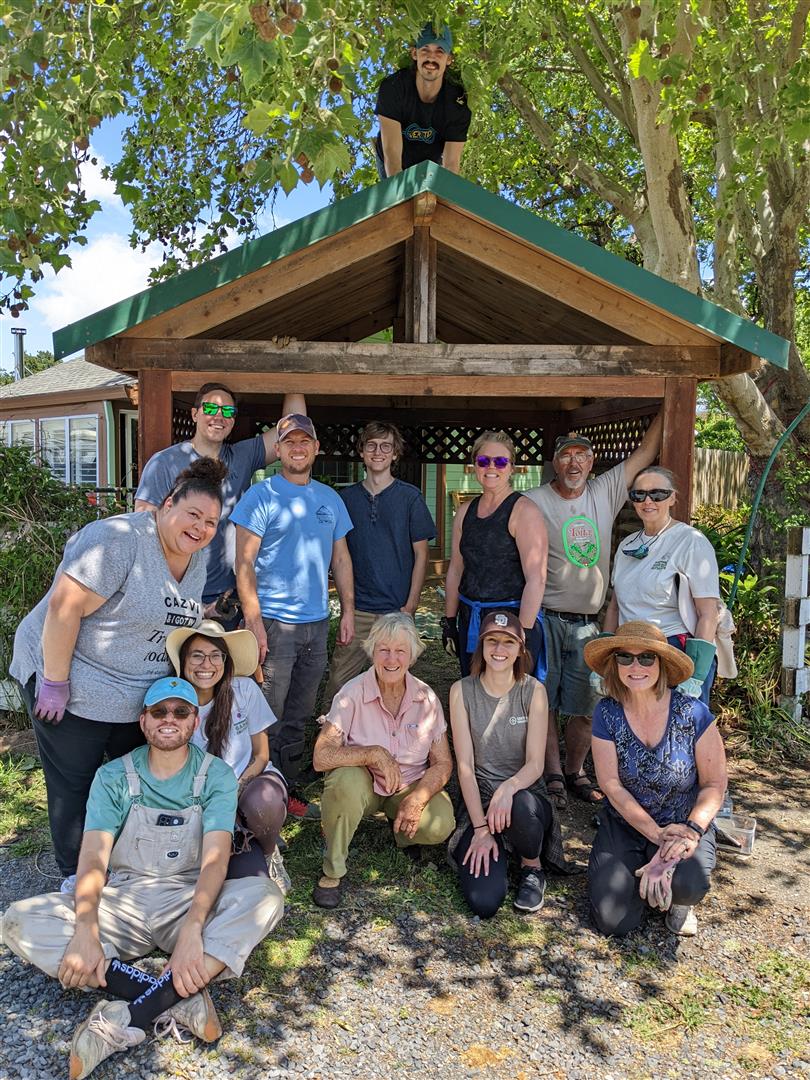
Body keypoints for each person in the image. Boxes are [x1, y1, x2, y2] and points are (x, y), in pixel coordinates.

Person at [0, 676, 284, 1079]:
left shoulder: (216, 776)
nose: (170, 718)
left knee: (265, 897)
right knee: (17, 920)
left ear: (193, 722)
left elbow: (216, 860)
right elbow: (93, 857)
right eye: (159, 711)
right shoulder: (114, 777)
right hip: (124, 901)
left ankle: (130, 1013)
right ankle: (177, 996)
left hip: (185, 899)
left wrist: (192, 930)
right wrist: (84, 929)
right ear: (143, 720)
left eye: (181, 711)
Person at [10, 458, 227, 889]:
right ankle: (77, 877)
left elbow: (167, 614)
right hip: (73, 680)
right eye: (194, 515)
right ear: (167, 505)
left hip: (136, 692)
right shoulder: (118, 539)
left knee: (137, 779)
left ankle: (128, 863)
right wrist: (54, 682)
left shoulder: (196, 558)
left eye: (212, 522)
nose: (201, 528)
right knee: (76, 783)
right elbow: (64, 607)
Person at [525, 413, 663, 808]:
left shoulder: (604, 491)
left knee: (587, 703)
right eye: (566, 456)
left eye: (581, 456)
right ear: (555, 462)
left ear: (591, 460)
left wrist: (666, 406)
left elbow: (646, 452)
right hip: (546, 617)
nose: (573, 463)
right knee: (545, 702)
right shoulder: (534, 500)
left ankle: (575, 770)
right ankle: (551, 774)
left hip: (590, 622)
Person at [232, 413, 354, 810]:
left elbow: (342, 559)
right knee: (267, 711)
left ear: (317, 448)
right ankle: (255, 789)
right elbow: (244, 564)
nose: (297, 447)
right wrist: (254, 624)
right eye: (289, 442)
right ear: (278, 450)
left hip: (316, 624)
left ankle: (289, 786)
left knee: (301, 711)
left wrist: (347, 611)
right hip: (273, 624)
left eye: (305, 441)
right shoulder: (261, 496)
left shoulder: (329, 499)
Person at [584, 622, 726, 938]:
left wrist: (690, 831)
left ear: (661, 664)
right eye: (625, 657)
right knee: (612, 920)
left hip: (683, 823)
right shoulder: (607, 713)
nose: (636, 666)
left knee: (687, 884)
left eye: (647, 657)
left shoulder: (693, 712)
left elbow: (715, 784)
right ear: (614, 664)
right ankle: (643, 872)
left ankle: (677, 898)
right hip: (627, 822)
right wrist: (656, 833)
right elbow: (611, 785)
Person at [311, 612, 455, 909]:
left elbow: (442, 763)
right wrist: (372, 753)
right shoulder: (351, 693)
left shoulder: (426, 698)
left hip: (406, 785)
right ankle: (332, 870)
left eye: (400, 651)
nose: (392, 659)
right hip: (363, 783)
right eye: (384, 650)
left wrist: (417, 800)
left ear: (412, 656)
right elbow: (321, 756)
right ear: (372, 651)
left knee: (440, 823)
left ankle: (401, 827)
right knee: (344, 783)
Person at [135, 384, 306, 622]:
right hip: (175, 594)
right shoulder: (165, 462)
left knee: (225, 660)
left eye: (227, 411)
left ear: (233, 421)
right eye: (211, 408)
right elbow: (143, 528)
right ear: (195, 414)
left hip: (226, 597)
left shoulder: (241, 457)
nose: (219, 416)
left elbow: (294, 424)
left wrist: (292, 368)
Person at [448, 611, 566, 917]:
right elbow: (464, 765)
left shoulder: (533, 691)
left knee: (520, 806)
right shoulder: (461, 690)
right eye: (492, 641)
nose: (499, 650)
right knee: (484, 902)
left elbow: (536, 764)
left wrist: (508, 789)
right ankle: (496, 845)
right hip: (480, 799)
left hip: (524, 796)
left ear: (520, 649)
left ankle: (532, 866)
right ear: (481, 646)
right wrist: (480, 829)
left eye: (508, 642)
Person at [167, 620, 290, 888]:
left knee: (264, 802)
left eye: (215, 655)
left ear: (226, 660)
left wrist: (235, 788)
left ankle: (269, 851)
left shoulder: (244, 689)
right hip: (199, 796)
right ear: (183, 660)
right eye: (197, 655)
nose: (206, 664)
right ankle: (242, 846)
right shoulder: (173, 702)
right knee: (239, 880)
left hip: (248, 780)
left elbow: (261, 755)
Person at [324, 421, 436, 701]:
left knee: (394, 684)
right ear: (361, 452)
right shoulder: (346, 499)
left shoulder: (410, 497)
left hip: (395, 609)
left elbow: (422, 554)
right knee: (340, 684)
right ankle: (330, 742)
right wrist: (347, 608)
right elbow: (339, 556)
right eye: (371, 445)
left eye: (386, 446)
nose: (378, 452)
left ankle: (390, 743)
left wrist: (411, 605)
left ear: (395, 453)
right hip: (358, 608)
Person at [603, 466, 721, 705]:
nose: (648, 501)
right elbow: (615, 608)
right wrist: (606, 659)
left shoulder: (691, 542)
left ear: (673, 498)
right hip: (631, 654)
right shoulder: (627, 544)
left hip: (673, 651)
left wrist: (695, 674)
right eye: (639, 495)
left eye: (657, 494)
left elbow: (708, 613)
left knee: (682, 734)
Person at [443, 430, 548, 678]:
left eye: (500, 461)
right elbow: (456, 569)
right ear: (474, 466)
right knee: (474, 691)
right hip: (471, 618)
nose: (492, 467)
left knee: (509, 700)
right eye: (483, 461)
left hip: (510, 620)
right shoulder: (465, 512)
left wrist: (521, 633)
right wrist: (449, 621)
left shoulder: (523, 511)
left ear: (512, 467)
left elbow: (536, 578)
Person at [374, 23, 471, 178]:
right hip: (392, 159)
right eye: (425, 49)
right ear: (414, 54)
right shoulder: (393, 88)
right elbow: (392, 156)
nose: (431, 57)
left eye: (440, 51)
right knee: (398, 198)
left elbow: (451, 164)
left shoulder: (458, 102)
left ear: (449, 59)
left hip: (429, 164)